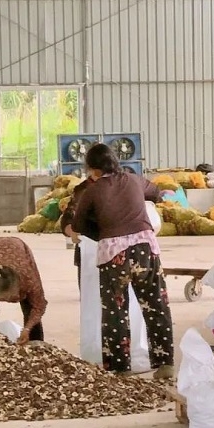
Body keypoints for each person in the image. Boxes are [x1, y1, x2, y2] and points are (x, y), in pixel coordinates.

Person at [70, 144, 175, 379]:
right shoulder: (134, 180)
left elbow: (77, 225)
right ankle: (165, 363)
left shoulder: (92, 191)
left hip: (113, 256)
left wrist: (101, 234)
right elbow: (156, 193)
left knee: (115, 311)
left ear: (92, 169)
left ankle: (120, 368)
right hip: (145, 250)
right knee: (156, 305)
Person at [0, 237, 48, 345]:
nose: (8, 300)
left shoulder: (28, 278)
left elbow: (38, 306)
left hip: (18, 249)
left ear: (18, 287)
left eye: (11, 296)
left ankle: (36, 343)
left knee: (30, 308)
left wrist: (27, 329)